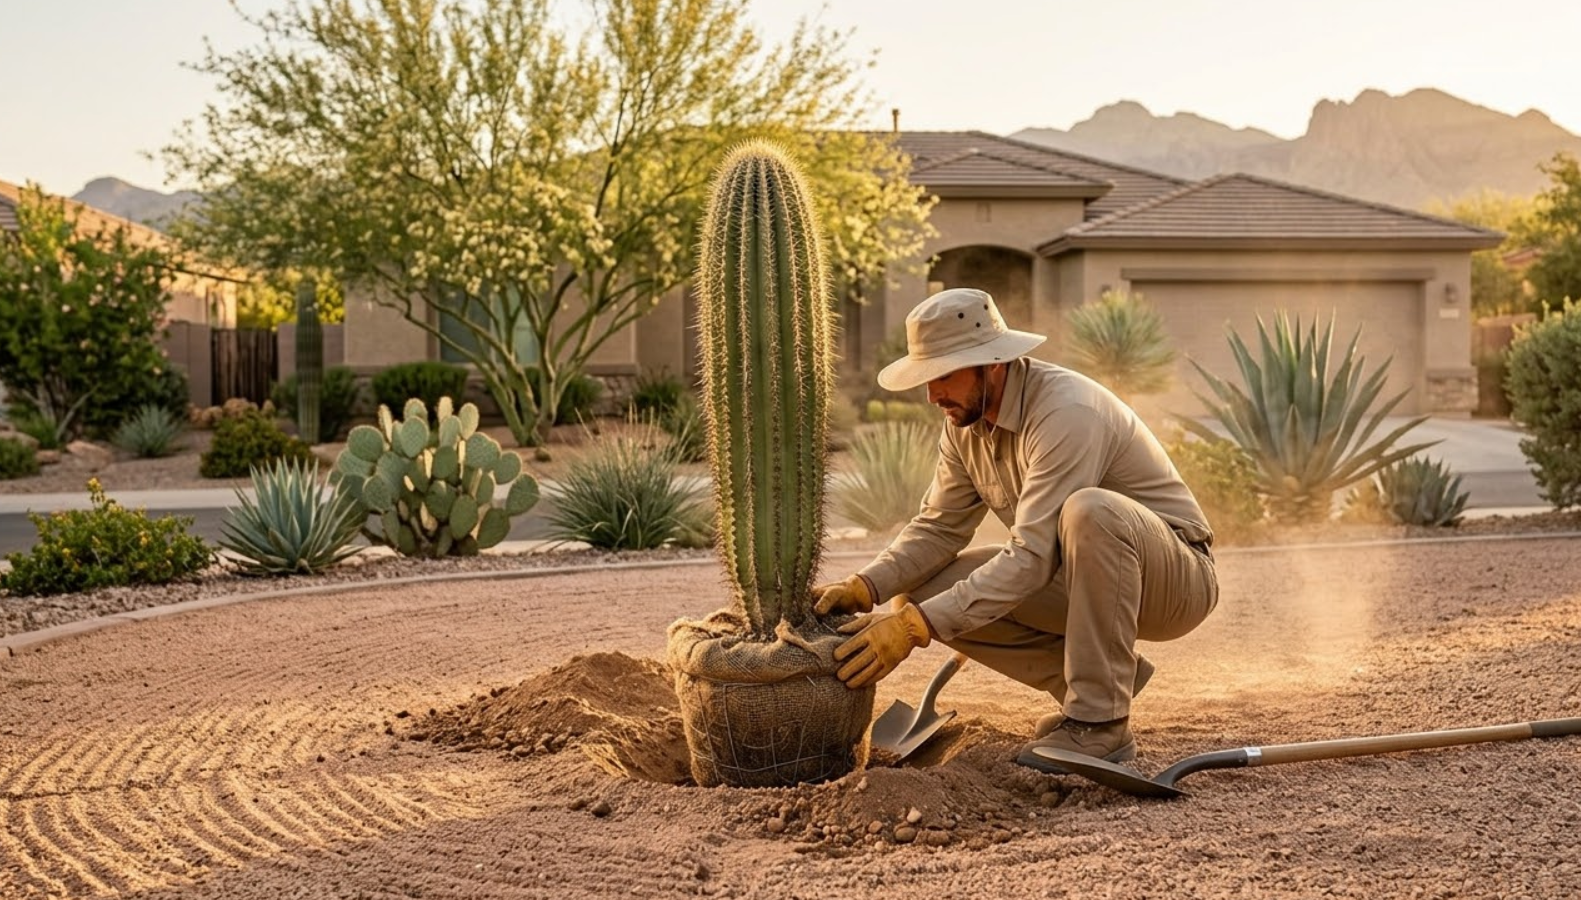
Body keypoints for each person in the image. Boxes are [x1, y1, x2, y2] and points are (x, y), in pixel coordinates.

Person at [814, 287, 1218, 770]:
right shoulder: (963, 424)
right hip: (1081, 576)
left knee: (1090, 511)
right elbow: (939, 528)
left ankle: (1101, 724)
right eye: (926, 377)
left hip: (1175, 581)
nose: (931, 394)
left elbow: (1029, 558)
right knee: (917, 595)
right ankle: (1092, 686)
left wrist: (917, 630)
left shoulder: (1066, 413)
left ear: (994, 363)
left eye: (943, 375)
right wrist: (866, 586)